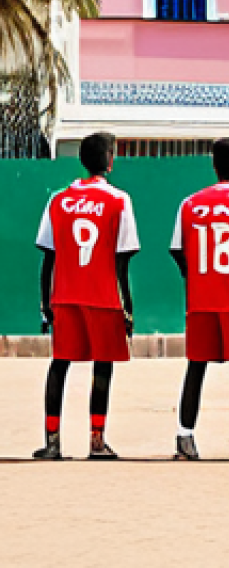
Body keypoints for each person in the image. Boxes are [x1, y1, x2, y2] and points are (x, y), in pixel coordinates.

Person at [33, 132, 139, 460]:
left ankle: (52, 441)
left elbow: (47, 259)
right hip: (104, 296)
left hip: (64, 295)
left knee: (60, 364)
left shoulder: (58, 200)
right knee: (103, 366)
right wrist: (128, 309)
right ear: (110, 160)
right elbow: (121, 262)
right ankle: (96, 440)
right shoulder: (119, 200)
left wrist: (44, 304)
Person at [170, 139, 229, 461]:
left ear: (214, 165)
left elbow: (176, 250)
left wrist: (194, 278)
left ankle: (185, 436)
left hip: (201, 298)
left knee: (195, 367)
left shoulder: (188, 204)